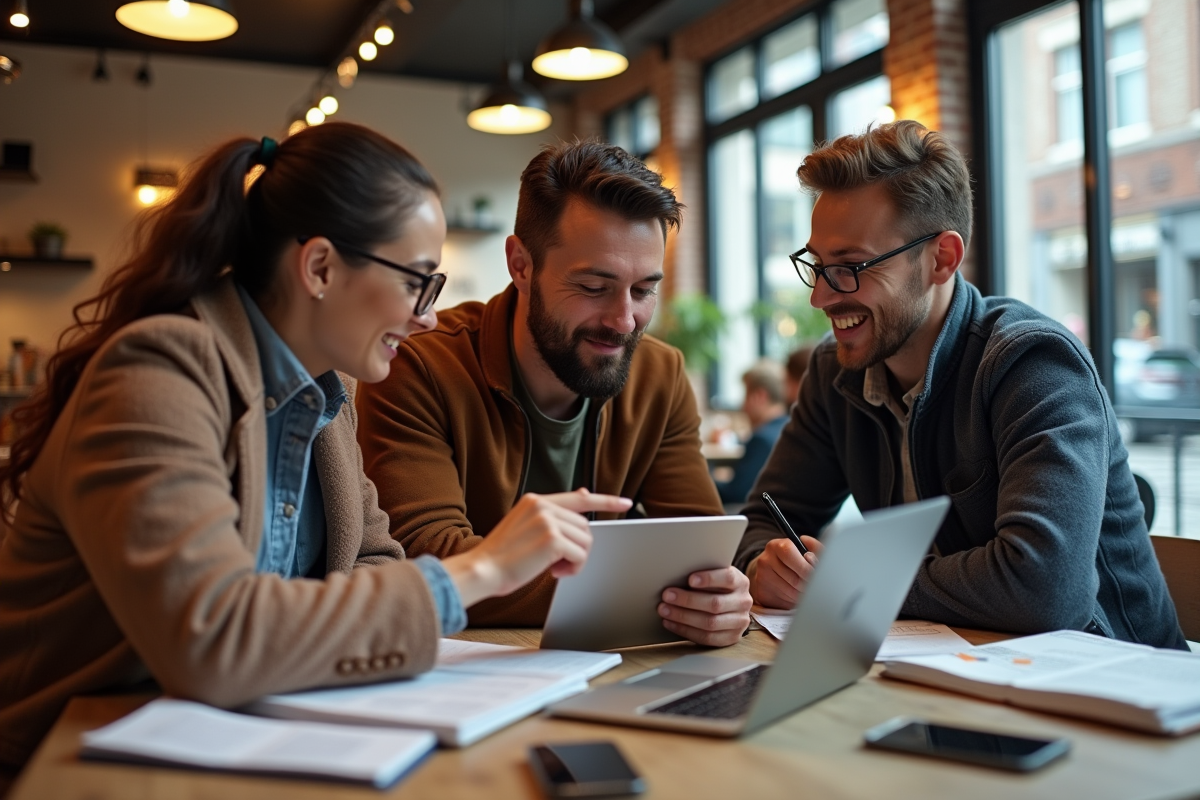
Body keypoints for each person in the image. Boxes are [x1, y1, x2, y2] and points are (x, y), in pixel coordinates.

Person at [0, 123, 631, 778]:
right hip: (71, 764)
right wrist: (483, 570)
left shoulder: (326, 398)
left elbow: (372, 564)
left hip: (227, 742)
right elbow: (212, 636)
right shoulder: (159, 370)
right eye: (417, 280)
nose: (426, 317)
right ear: (321, 267)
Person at [737, 120, 1186, 650]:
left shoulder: (1033, 363)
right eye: (818, 266)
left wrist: (851, 581)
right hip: (946, 672)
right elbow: (764, 522)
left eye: (852, 266)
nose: (822, 298)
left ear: (941, 259)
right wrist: (764, 565)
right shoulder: (834, 372)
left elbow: (1044, 589)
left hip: (1115, 688)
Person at [357, 140, 752, 645]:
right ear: (521, 265)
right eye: (593, 287)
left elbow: (700, 551)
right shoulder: (420, 364)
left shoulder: (660, 375)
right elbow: (429, 560)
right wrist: (652, 590)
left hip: (604, 666)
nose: (624, 321)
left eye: (644, 290)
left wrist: (721, 598)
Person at [714, 360, 789, 505]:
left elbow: (735, 494)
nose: (743, 406)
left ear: (759, 396)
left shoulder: (762, 439)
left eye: (746, 395)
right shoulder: (789, 428)